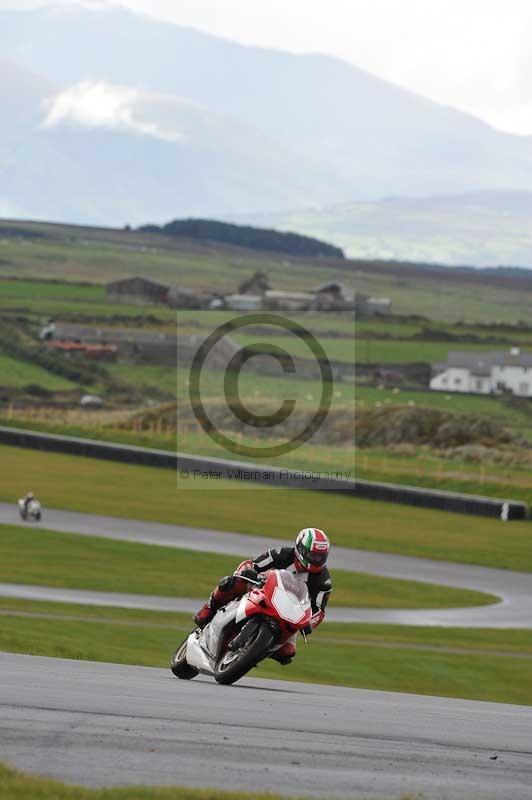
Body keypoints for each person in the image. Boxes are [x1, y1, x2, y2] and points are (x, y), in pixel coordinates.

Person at [193, 528, 332, 665]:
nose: (317, 560)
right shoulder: (282, 554)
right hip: (262, 591)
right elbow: (252, 564)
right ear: (301, 550)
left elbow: (319, 611)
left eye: (321, 556)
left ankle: (254, 651)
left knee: (287, 652)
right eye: (313, 555)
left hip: (289, 613)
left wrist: (308, 623)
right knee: (231, 583)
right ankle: (209, 607)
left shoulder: (323, 581)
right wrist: (248, 572)